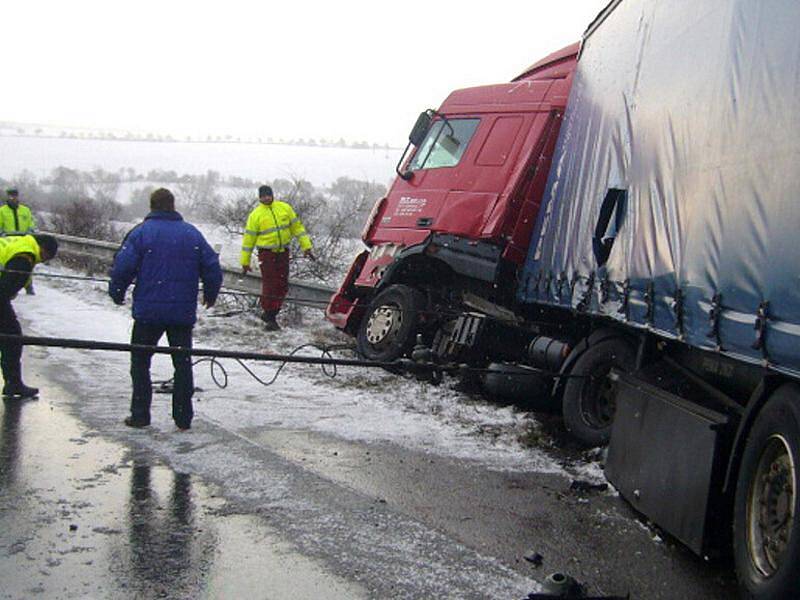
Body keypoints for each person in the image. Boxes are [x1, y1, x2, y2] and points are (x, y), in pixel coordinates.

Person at [109, 188, 222, 431]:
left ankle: (140, 415)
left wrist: (117, 292)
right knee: (182, 364)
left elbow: (122, 266)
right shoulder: (191, 234)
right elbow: (212, 265)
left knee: (140, 363)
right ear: (172, 206)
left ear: (151, 206)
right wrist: (211, 293)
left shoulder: (140, 233)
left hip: (148, 312)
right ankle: (183, 417)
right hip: (180, 313)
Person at [240, 184, 315, 331]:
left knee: (282, 285)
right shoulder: (256, 215)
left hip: (283, 252)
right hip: (266, 254)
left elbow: (297, 228)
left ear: (272, 195)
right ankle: (270, 317)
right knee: (270, 285)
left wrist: (306, 246)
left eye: (268, 195)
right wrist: (245, 261)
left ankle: (271, 313)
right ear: (259, 197)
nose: (266, 198)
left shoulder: (284, 208)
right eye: (263, 196)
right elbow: (248, 240)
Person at [0, 234, 58, 398]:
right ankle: (13, 383)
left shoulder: (20, 242)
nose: (42, 261)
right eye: (46, 257)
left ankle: (13, 383)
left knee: (10, 335)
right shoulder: (25, 256)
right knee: (12, 337)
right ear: (43, 249)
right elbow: (5, 289)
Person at [0, 188, 38, 295]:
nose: (13, 198)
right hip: (9, 241)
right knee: (8, 264)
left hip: (24, 241)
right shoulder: (2, 211)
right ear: (7, 197)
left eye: (15, 196)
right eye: (10, 196)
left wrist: (31, 231)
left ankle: (28, 284)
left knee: (27, 263)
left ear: (18, 196)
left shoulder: (25, 210)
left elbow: (31, 223)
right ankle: (8, 285)